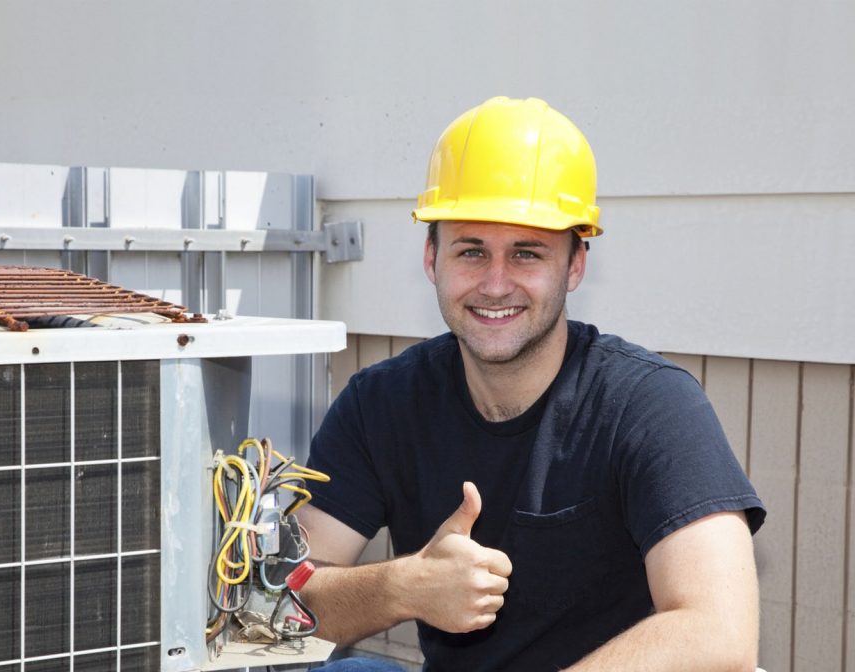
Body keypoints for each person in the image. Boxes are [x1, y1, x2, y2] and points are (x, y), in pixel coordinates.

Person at [298, 97, 766, 671]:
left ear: (574, 265)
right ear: (431, 259)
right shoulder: (380, 404)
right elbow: (288, 603)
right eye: (471, 251)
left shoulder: (651, 406)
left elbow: (719, 633)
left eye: (526, 253)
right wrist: (403, 586)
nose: (496, 284)